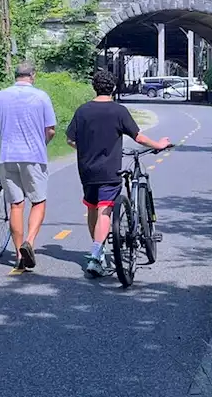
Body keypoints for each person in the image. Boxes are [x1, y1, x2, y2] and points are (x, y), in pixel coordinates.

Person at [66, 68, 170, 277]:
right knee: (105, 209)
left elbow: (70, 139)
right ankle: (96, 254)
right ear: (113, 88)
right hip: (109, 169)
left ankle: (100, 248)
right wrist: (158, 144)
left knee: (92, 207)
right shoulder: (118, 111)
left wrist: (85, 149)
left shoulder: (82, 111)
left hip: (87, 169)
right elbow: (138, 137)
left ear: (94, 88)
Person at [0, 61, 56, 270]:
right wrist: (41, 144)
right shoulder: (42, 97)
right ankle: (29, 242)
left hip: (7, 156)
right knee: (38, 201)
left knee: (16, 205)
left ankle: (19, 255)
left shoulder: (1, 96)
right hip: (34, 157)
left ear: (16, 76)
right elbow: (51, 130)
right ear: (33, 75)